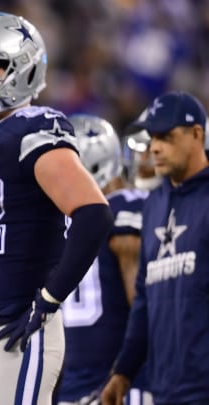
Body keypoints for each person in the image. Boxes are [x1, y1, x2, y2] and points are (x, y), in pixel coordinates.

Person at [0, 12, 113, 404]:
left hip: (13, 325)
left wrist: (50, 298)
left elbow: (92, 213)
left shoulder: (34, 129)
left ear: (23, 69)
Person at [101, 92, 209, 405]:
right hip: (164, 388)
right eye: (152, 138)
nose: (155, 148)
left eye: (166, 137)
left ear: (197, 134)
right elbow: (144, 301)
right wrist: (123, 371)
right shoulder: (153, 206)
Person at [56, 114, 152, 405]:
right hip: (121, 380)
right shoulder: (125, 206)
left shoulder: (53, 224)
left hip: (71, 386)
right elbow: (145, 307)